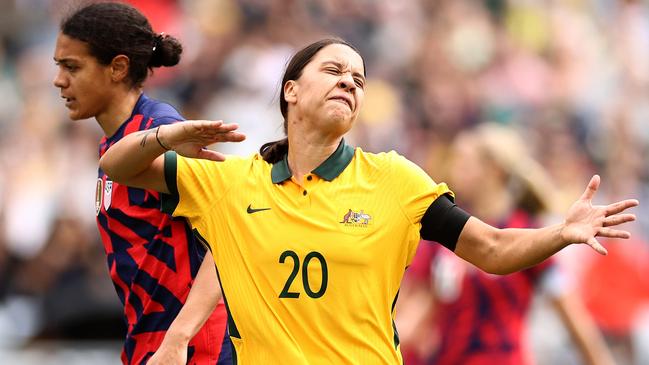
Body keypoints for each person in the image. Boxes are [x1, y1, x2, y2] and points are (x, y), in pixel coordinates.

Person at [98, 38, 638, 364]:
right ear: (290, 90)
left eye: (359, 78)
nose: (350, 83)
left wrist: (560, 233)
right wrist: (169, 134)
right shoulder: (230, 183)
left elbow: (492, 247)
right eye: (333, 71)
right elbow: (114, 165)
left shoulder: (395, 180)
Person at [52, 2, 230, 364]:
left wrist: (178, 339)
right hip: (148, 342)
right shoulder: (117, 143)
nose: (59, 80)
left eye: (72, 67)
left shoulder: (158, 130)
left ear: (117, 68)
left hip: (197, 349)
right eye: (59, 66)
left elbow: (227, 236)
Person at [396, 123, 615, 365]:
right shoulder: (445, 234)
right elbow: (420, 314)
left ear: (494, 170)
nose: (454, 168)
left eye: (465, 162)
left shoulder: (527, 232)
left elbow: (572, 316)